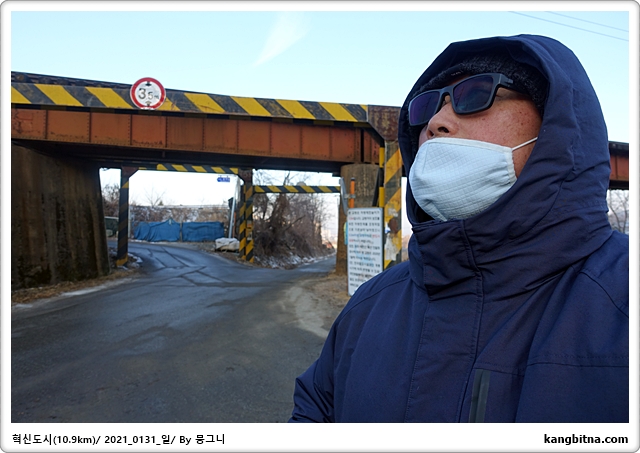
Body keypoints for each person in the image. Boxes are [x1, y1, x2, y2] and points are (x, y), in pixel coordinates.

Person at [289, 34, 629, 423]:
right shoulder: (369, 305)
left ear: (556, 126)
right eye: (426, 108)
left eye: (476, 93)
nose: (435, 123)